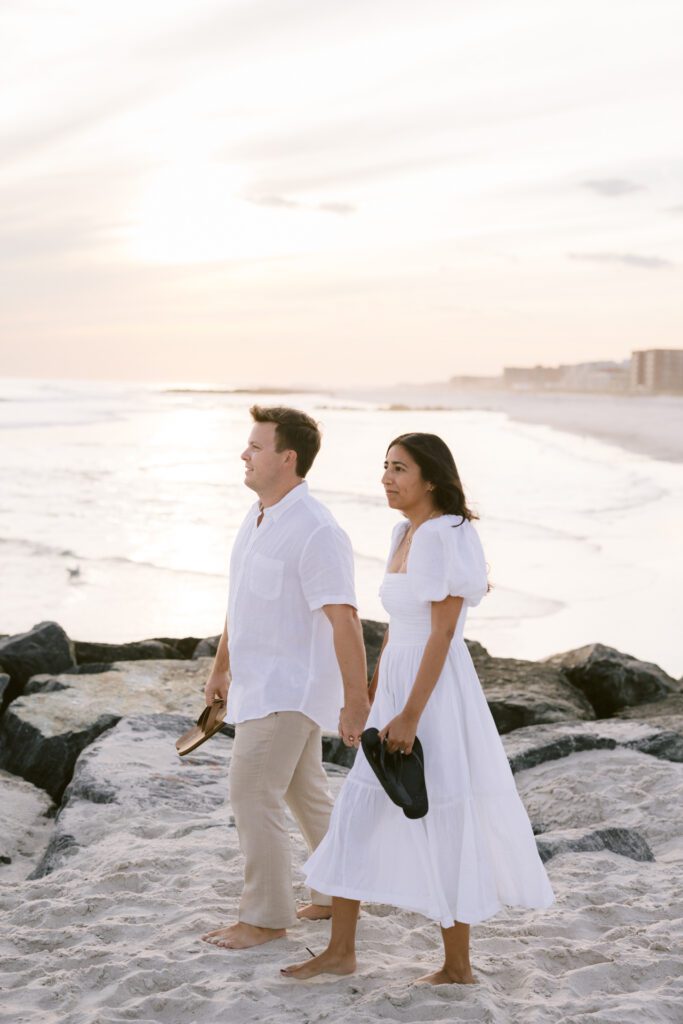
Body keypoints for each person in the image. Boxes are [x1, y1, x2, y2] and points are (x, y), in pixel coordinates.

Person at [282, 432, 555, 984]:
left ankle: (457, 966)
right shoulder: (401, 531)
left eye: (400, 468)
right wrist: (376, 694)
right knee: (359, 811)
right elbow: (399, 631)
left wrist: (409, 712)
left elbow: (443, 634)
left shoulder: (445, 534)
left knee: (441, 814)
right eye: (384, 466)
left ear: (431, 478)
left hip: (435, 694)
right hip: (398, 688)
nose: (387, 478)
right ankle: (341, 951)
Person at [201, 405, 370, 951]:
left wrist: (356, 700)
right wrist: (220, 667)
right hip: (256, 681)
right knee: (305, 794)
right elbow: (241, 601)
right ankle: (337, 892)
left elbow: (344, 618)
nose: (244, 454)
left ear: (287, 457)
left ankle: (267, 917)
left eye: (256, 446)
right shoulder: (257, 517)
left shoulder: (317, 529)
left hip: (290, 688)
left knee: (252, 793)